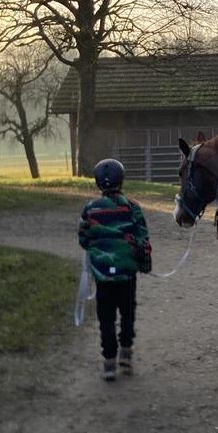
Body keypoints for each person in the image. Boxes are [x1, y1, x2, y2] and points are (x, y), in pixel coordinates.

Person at [78, 158, 152, 381]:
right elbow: (143, 239)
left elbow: (83, 239)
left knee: (106, 317)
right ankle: (126, 354)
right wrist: (144, 261)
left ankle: (109, 362)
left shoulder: (90, 210)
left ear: (97, 183)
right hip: (126, 275)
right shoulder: (132, 207)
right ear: (122, 180)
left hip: (103, 276)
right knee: (127, 313)